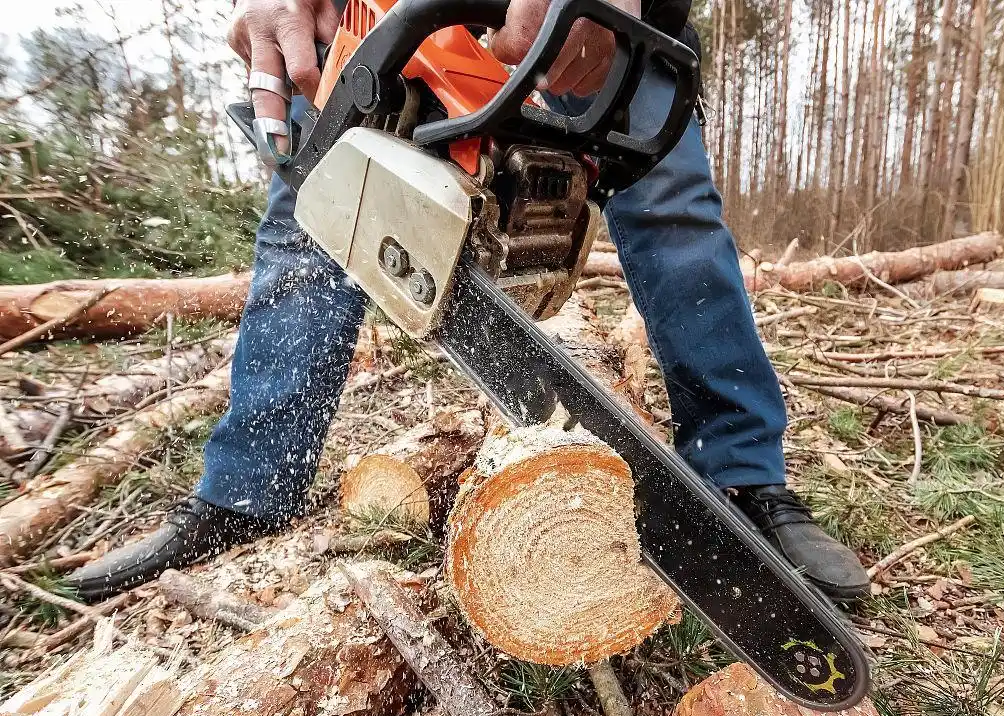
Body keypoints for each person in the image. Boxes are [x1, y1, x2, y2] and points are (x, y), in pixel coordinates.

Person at [67, 0, 868, 603]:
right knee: (313, 218)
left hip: (593, 14)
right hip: (385, 17)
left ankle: (740, 473)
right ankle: (248, 487)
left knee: (672, 211)